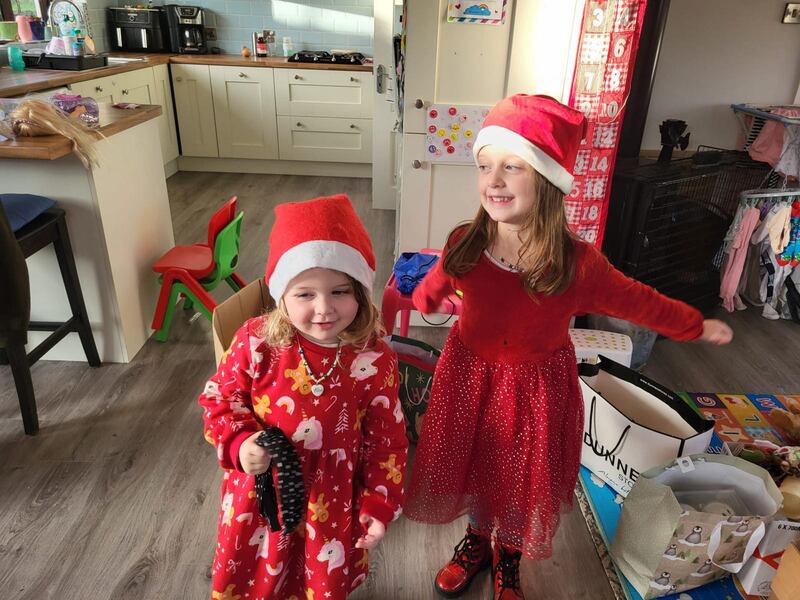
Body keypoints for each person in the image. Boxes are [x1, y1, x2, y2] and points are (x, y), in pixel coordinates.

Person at [403, 94, 733, 600]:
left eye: (512, 166)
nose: (493, 180)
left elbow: (638, 301)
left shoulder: (577, 264)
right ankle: (477, 541)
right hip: (471, 378)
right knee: (479, 463)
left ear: (547, 180)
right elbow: (436, 282)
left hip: (535, 388)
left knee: (519, 477)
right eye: (485, 166)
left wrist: (694, 326)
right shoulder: (466, 242)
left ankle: (508, 555)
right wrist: (426, 294)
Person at [198, 194, 408, 600]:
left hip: (332, 503)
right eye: (305, 294)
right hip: (261, 498)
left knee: (319, 580)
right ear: (281, 296)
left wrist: (379, 502)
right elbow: (219, 399)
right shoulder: (255, 343)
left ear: (360, 291)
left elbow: (387, 441)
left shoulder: (375, 357)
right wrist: (240, 442)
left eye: (340, 291)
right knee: (255, 579)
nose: (324, 308)